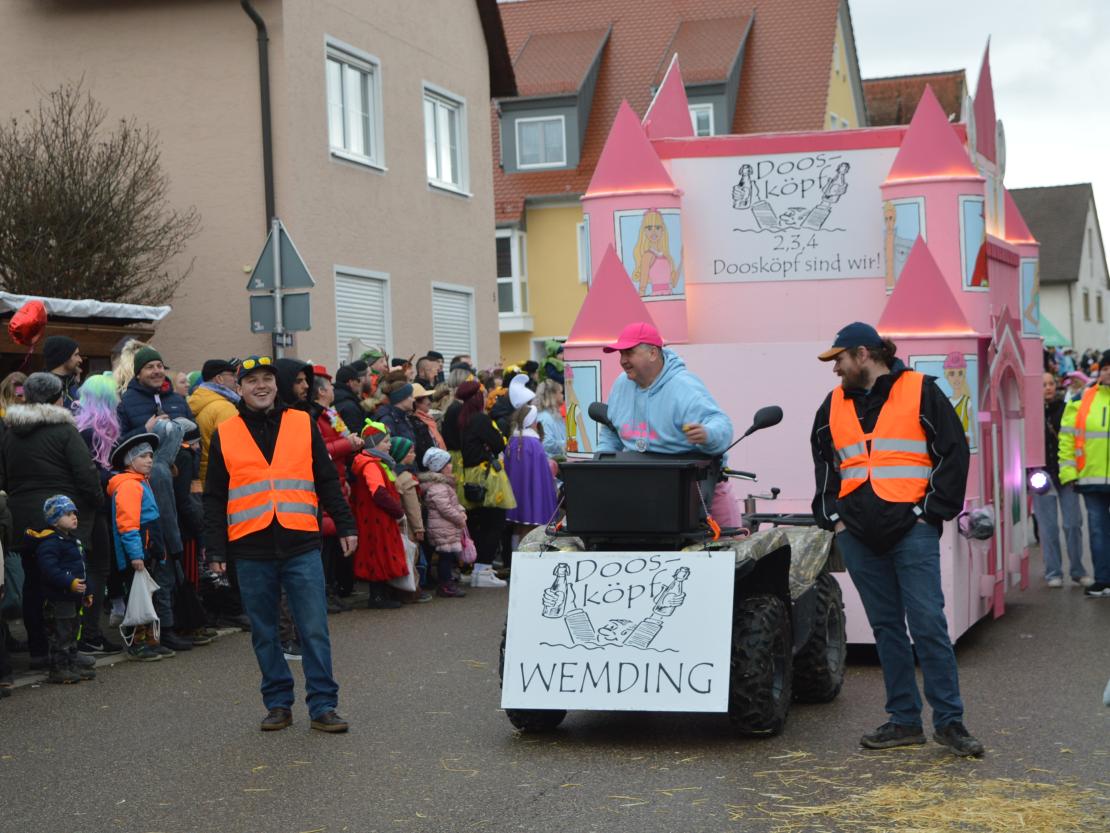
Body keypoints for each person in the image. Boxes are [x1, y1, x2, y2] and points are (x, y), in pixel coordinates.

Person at [810, 322, 981, 756]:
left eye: (840, 360)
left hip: (912, 530)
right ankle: (904, 720)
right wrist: (833, 518)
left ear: (864, 354)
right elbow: (826, 465)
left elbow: (953, 451)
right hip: (858, 534)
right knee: (887, 628)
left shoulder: (921, 390)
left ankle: (950, 722)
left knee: (928, 625)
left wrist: (930, 512)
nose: (836, 369)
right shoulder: (831, 406)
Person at [203, 356, 357, 732]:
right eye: (251, 380)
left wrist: (346, 523)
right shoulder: (227, 432)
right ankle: (278, 703)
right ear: (238, 388)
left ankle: (323, 705)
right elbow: (214, 497)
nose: (260, 385)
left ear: (277, 385)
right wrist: (216, 550)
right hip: (250, 547)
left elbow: (326, 478)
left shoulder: (301, 423)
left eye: (267, 379)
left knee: (314, 628)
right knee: (265, 631)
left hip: (301, 542)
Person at [0, 373, 101, 670]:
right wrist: (96, 501)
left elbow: (4, 477)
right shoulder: (64, 431)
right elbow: (85, 474)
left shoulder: (10, 432)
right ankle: (64, 651)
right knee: (63, 585)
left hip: (22, 518)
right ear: (57, 398)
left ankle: (38, 650)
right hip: (58, 519)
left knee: (33, 582)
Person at [596, 322, 738, 526]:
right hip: (643, 494)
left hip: (699, 494)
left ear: (653, 353)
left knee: (730, 554)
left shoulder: (683, 386)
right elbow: (612, 431)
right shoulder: (621, 384)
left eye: (629, 352)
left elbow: (721, 425)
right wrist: (601, 464)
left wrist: (708, 434)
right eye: (621, 354)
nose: (623, 360)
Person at [107, 432, 169, 662]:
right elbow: (127, 524)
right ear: (130, 460)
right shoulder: (130, 486)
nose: (150, 460)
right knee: (136, 597)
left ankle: (151, 640)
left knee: (147, 596)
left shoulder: (141, 482)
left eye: (151, 455)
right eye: (143, 456)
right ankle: (137, 642)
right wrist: (135, 554)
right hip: (139, 552)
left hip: (147, 548)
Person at [73, 375, 124, 656]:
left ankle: (89, 633)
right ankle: (90, 634)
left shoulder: (83, 428)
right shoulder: (96, 431)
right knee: (97, 568)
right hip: (95, 508)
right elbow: (94, 473)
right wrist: (116, 477)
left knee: (94, 568)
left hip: (92, 507)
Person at [1058, 351, 1110, 597]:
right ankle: (1103, 580)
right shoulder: (1082, 399)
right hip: (1091, 479)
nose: (1108, 372)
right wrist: (1068, 472)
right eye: (1106, 367)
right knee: (1098, 530)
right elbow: (1067, 437)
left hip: (1094, 478)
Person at [310, 371, 362, 607]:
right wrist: (347, 444)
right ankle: (325, 590)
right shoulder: (315, 417)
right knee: (326, 542)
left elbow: (338, 441)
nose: (334, 390)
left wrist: (351, 444)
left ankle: (332, 588)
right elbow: (322, 451)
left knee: (333, 541)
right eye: (329, 387)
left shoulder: (331, 413)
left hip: (339, 478)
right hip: (326, 480)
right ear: (321, 391)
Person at [1035, 372, 1091, 588]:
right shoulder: (1030, 411)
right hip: (1042, 474)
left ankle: (1077, 570)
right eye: (1043, 385)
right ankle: (1053, 572)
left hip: (1066, 473)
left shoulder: (1067, 408)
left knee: (1073, 523)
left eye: (1051, 384)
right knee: (1048, 527)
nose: (1048, 388)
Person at [456, 381, 515, 588]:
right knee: (495, 522)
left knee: (477, 523)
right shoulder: (480, 419)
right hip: (486, 476)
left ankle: (476, 570)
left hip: (468, 475)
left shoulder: (460, 418)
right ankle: (483, 570)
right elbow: (499, 443)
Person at [33, 495, 95, 684]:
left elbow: (82, 567)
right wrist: (70, 582)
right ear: (54, 519)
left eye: (74, 513)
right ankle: (59, 668)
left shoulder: (72, 540)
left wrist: (88, 590)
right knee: (61, 633)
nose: (74, 517)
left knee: (73, 629)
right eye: (68, 514)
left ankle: (72, 662)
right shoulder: (50, 542)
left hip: (74, 595)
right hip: (59, 596)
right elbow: (50, 570)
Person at [350, 421, 407, 609]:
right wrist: (397, 511)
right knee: (377, 552)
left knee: (377, 551)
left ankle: (381, 594)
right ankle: (377, 596)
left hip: (376, 517)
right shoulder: (371, 464)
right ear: (374, 443)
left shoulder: (374, 462)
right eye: (385, 441)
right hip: (376, 518)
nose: (389, 445)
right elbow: (378, 492)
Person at [419, 448, 468, 598]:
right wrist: (459, 517)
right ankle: (445, 584)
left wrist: (461, 509)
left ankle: (442, 582)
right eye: (448, 464)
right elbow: (445, 508)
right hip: (442, 527)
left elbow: (451, 503)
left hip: (444, 526)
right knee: (445, 556)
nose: (451, 466)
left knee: (445, 555)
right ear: (440, 466)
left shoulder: (442, 485)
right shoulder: (439, 487)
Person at [117, 347, 193, 439]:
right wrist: (145, 430)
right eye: (150, 367)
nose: (157, 371)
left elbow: (195, 437)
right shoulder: (126, 403)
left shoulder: (178, 400)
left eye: (159, 366)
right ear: (138, 374)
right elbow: (118, 442)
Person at [504, 405, 558, 534]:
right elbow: (541, 476)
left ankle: (514, 551)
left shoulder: (512, 441)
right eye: (535, 420)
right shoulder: (534, 444)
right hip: (533, 495)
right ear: (531, 422)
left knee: (516, 530)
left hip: (515, 495)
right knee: (530, 531)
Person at [187, 359, 241, 485]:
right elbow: (233, 451)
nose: (235, 380)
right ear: (219, 379)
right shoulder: (225, 408)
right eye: (232, 375)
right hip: (221, 478)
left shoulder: (197, 401)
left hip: (203, 476)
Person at [391, 436, 431, 603]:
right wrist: (419, 528)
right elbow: (413, 507)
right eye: (411, 452)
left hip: (398, 525)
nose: (414, 455)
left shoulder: (392, 473)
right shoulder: (407, 479)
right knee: (411, 559)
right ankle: (412, 590)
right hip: (408, 526)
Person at [42, 335, 83, 410]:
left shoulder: (72, 384)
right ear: (64, 357)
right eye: (76, 355)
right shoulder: (42, 389)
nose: (80, 360)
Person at [534, 380, 567, 458]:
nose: (563, 396)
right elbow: (546, 443)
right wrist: (567, 444)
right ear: (553, 395)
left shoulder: (553, 415)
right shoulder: (545, 417)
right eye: (561, 392)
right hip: (551, 464)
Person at [333, 364, 368, 438]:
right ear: (350, 382)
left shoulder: (332, 398)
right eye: (358, 380)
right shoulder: (350, 406)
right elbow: (357, 435)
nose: (359, 383)